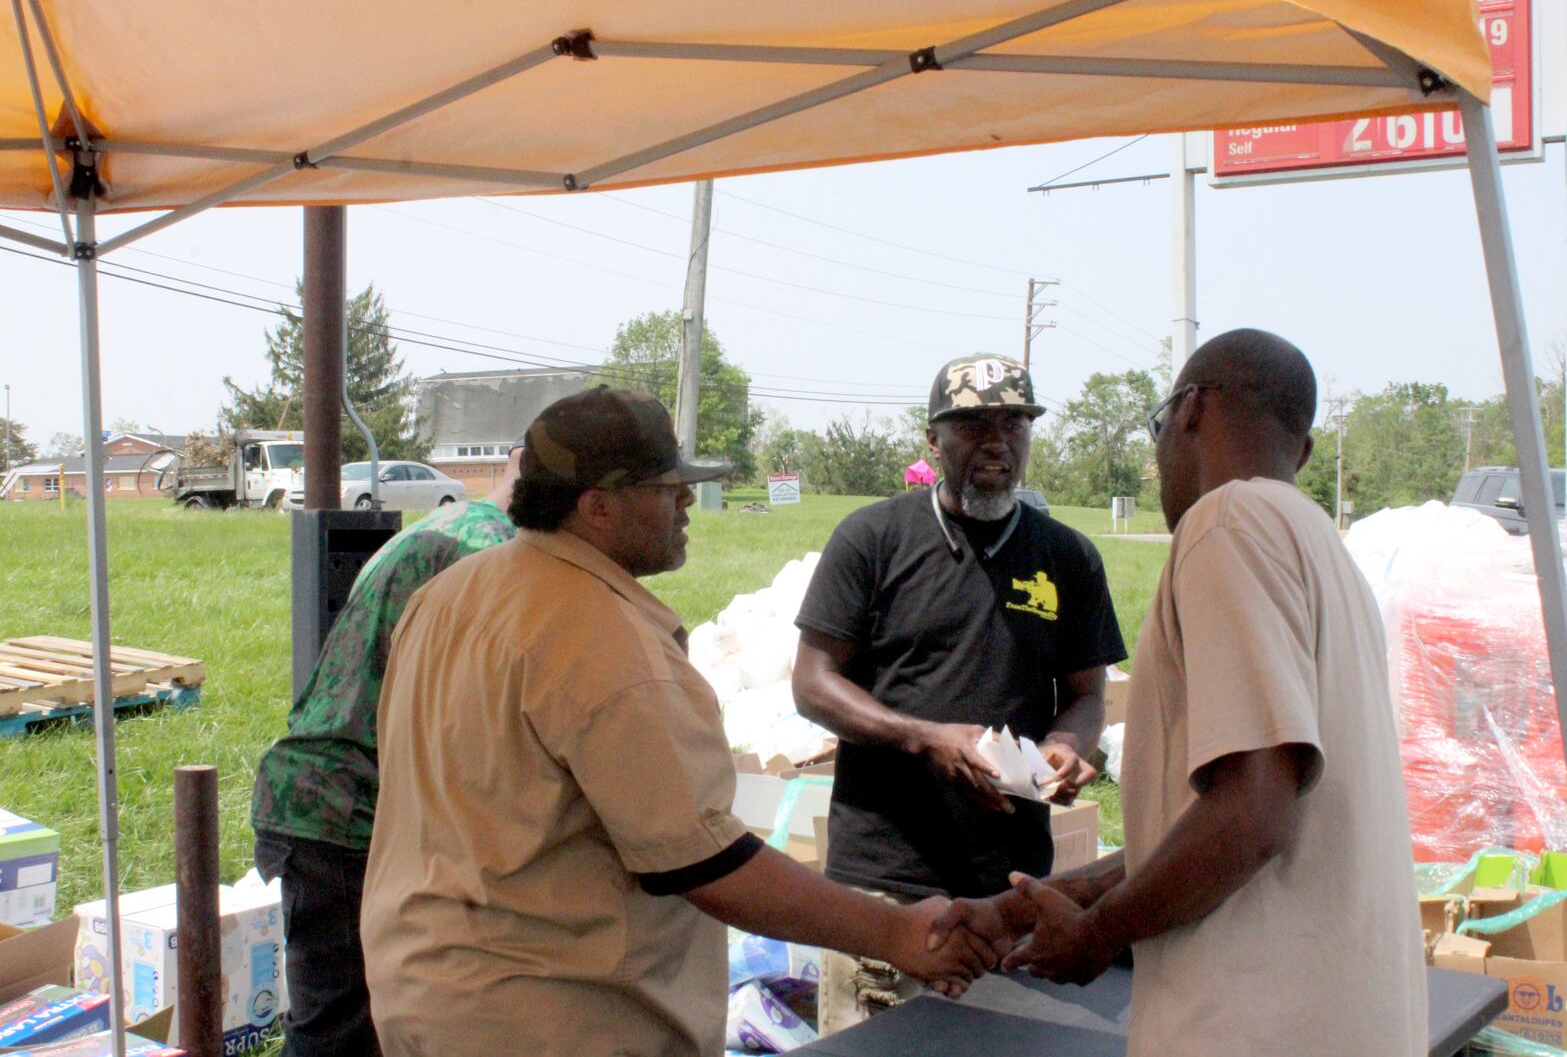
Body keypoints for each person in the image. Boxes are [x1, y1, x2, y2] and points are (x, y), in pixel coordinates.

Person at [359, 387, 1003, 1057]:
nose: (687, 501)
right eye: (667, 486)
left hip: (424, 991)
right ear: (597, 505)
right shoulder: (603, 640)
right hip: (548, 1016)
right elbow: (710, 866)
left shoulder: (452, 594)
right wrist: (897, 934)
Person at [932, 330, 1428, 1055]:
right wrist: (1029, 908)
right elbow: (1208, 825)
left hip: (1256, 1025)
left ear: (1191, 409)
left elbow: (1252, 814)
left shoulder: (1226, 524)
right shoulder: (1326, 549)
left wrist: (1097, 934)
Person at [791, 353, 1127, 1033]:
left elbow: (1088, 692)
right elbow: (812, 683)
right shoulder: (874, 539)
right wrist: (925, 736)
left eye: (1013, 423)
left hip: (1011, 895)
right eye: (972, 425)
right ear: (933, 439)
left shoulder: (1067, 557)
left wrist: (1067, 743)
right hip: (886, 888)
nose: (996, 441)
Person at [250, 449, 522, 1056]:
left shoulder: (448, 528)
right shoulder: (493, 559)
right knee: (346, 1033)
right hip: (343, 811)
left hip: (334, 798)